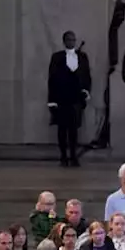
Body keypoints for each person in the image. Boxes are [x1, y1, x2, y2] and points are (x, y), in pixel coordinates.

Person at [47, 31, 92, 168]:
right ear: (64, 41)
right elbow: (52, 79)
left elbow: (87, 76)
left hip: (76, 99)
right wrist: (52, 100)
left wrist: (86, 91)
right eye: (68, 39)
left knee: (74, 129)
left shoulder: (82, 57)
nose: (71, 41)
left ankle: (73, 156)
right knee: (62, 129)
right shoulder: (57, 57)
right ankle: (63, 157)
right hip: (61, 99)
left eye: (73, 39)